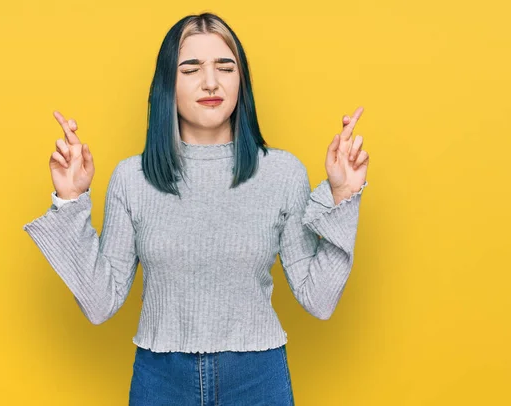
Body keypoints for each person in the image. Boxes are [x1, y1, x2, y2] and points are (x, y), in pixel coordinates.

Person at [23, 12, 369, 406]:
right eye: (190, 69)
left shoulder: (282, 173)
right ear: (167, 84)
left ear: (242, 81)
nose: (211, 82)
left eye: (226, 67)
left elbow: (319, 300)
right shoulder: (132, 179)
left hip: (258, 380)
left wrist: (343, 197)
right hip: (160, 379)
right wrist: (69, 201)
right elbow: (100, 304)